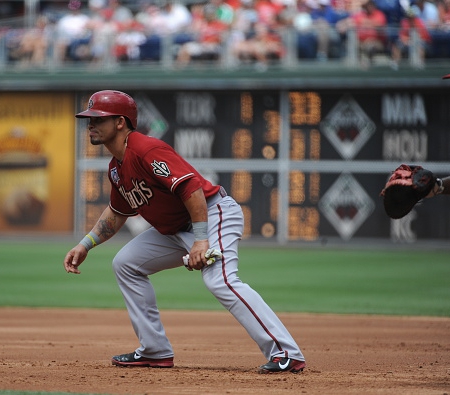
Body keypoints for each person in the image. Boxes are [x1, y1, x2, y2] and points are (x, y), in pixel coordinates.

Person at [63, 90, 306, 373]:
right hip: (177, 229)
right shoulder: (116, 167)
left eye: (98, 118)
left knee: (220, 281)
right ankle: (155, 351)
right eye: (88, 119)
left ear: (120, 122)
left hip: (213, 214)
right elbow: (118, 212)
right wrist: (86, 243)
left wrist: (201, 240)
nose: (90, 124)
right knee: (126, 264)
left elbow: (190, 189)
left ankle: (286, 352)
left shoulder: (145, 149)